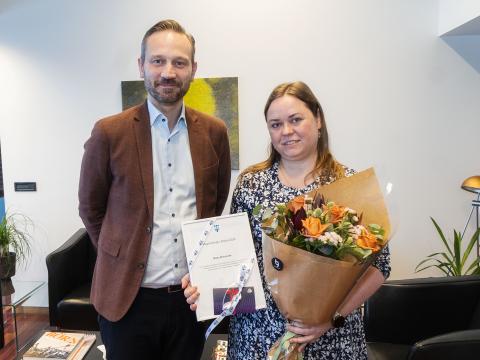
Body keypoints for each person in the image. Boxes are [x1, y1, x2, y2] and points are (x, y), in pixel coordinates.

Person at [184, 81, 390, 359]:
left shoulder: (349, 185)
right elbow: (236, 257)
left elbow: (380, 266)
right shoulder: (251, 184)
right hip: (257, 335)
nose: (286, 131)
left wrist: (330, 318)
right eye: (276, 124)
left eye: (295, 120)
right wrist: (205, 284)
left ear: (317, 120)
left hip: (331, 337)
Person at [79, 19, 231, 360]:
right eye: (158, 61)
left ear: (193, 69)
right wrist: (119, 253)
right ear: (141, 65)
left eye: (179, 62)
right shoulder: (109, 132)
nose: (168, 72)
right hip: (128, 301)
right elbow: (90, 208)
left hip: (190, 299)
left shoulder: (215, 132)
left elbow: (215, 202)